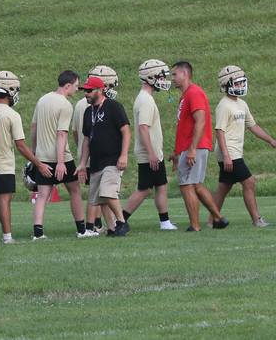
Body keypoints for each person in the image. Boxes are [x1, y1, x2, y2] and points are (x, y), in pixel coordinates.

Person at [0, 71, 48, 244]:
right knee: (4, 201)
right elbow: (21, 145)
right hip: (3, 165)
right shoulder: (11, 115)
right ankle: (7, 237)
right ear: (9, 91)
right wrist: (38, 164)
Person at [29, 70, 91, 240]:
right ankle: (81, 230)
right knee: (75, 191)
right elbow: (62, 134)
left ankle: (38, 233)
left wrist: (34, 153)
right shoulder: (65, 105)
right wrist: (61, 162)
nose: (77, 90)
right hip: (61, 157)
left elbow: (33, 127)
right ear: (68, 85)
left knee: (42, 196)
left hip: (42, 157)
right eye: (76, 86)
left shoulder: (42, 100)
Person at [213, 65, 275, 227]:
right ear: (227, 84)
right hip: (229, 152)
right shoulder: (224, 105)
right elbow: (219, 131)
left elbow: (253, 126)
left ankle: (212, 221)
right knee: (249, 182)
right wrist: (226, 155)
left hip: (233, 152)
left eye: (242, 82)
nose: (241, 86)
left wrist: (270, 140)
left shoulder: (242, 104)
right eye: (238, 83)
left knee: (224, 187)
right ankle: (257, 220)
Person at [169, 61, 227, 231]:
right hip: (189, 147)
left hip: (194, 147)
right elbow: (184, 127)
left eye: (174, 74)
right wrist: (176, 151)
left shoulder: (194, 93)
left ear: (185, 74)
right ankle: (218, 218)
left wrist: (192, 149)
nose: (172, 78)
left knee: (186, 185)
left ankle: (195, 226)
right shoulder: (185, 95)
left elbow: (200, 121)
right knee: (196, 185)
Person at [122, 60, 177, 230]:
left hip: (153, 152)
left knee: (161, 185)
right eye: (161, 76)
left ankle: (164, 221)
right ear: (150, 77)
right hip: (148, 153)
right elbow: (143, 128)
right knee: (144, 189)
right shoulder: (145, 100)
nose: (164, 80)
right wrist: (152, 153)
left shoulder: (146, 98)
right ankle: (120, 219)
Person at [76, 77, 131, 236]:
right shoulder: (88, 111)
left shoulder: (114, 107)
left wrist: (124, 155)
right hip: (96, 161)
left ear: (100, 90)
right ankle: (113, 228)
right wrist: (82, 163)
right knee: (101, 198)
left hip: (113, 159)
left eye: (89, 90)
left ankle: (122, 222)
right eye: (84, 90)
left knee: (107, 192)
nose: (86, 94)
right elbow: (87, 139)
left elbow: (126, 131)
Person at [71, 65, 118, 233]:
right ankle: (90, 226)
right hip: (94, 154)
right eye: (109, 85)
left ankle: (98, 224)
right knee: (95, 193)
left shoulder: (78, 104)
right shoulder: (92, 105)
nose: (109, 89)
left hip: (86, 151)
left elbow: (75, 133)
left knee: (98, 193)